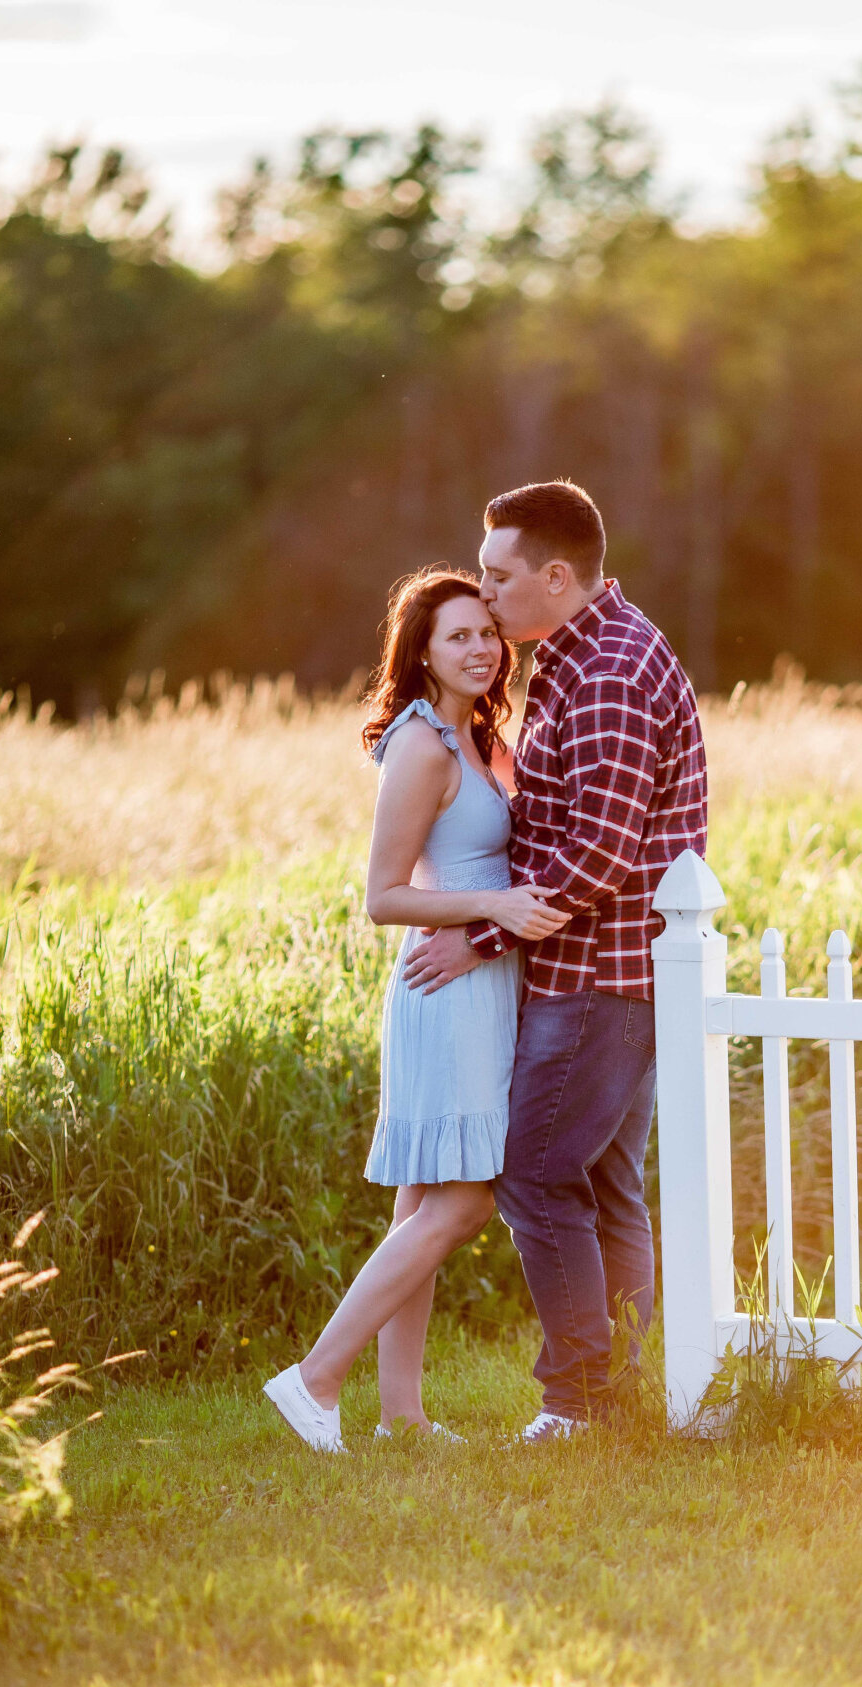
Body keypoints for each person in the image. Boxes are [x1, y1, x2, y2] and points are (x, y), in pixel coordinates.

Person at [403, 482, 709, 1439]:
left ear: (556, 576)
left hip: (598, 981)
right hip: (605, 975)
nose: (485, 595)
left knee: (535, 1174)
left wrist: (479, 935)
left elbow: (600, 854)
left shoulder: (610, 669)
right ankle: (620, 1392)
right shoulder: (578, 658)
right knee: (603, 1184)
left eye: (498, 576)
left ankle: (579, 1401)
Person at [263, 569, 569, 1451]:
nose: (480, 648)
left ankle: (401, 1416)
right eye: (457, 637)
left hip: (478, 974)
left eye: (486, 633)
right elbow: (383, 896)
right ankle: (314, 1379)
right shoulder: (422, 745)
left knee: (421, 1209)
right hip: (445, 988)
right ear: (421, 652)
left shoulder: (477, 736)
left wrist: (502, 914)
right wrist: (498, 910)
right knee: (463, 1204)